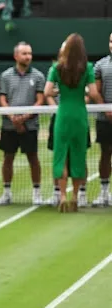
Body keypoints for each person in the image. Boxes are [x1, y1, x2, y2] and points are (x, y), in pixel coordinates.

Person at [44, 34, 104, 212]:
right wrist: (84, 92)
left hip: (63, 114)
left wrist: (60, 90)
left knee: (61, 155)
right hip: (79, 114)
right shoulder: (88, 68)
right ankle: (75, 197)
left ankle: (62, 196)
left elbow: (47, 91)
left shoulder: (57, 67)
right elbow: (93, 93)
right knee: (78, 155)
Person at [0, 41, 45, 205]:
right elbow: (2, 98)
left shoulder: (38, 76)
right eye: (24, 54)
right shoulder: (6, 76)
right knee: (8, 158)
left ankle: (37, 192)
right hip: (9, 125)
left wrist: (24, 117)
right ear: (16, 56)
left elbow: (40, 100)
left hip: (29, 125)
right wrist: (12, 117)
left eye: (29, 53)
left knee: (33, 158)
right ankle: (7, 192)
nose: (28, 57)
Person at [92, 32, 112, 207]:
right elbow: (95, 91)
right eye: (111, 41)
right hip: (104, 118)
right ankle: (104, 192)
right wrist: (106, 109)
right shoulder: (100, 65)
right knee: (105, 154)